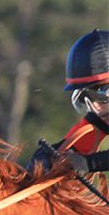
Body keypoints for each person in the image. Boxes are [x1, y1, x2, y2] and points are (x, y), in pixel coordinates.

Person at [34, 29, 109, 176]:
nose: (96, 107)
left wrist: (88, 163)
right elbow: (73, 146)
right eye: (85, 98)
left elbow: (84, 161)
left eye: (102, 96)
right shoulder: (103, 116)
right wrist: (46, 158)